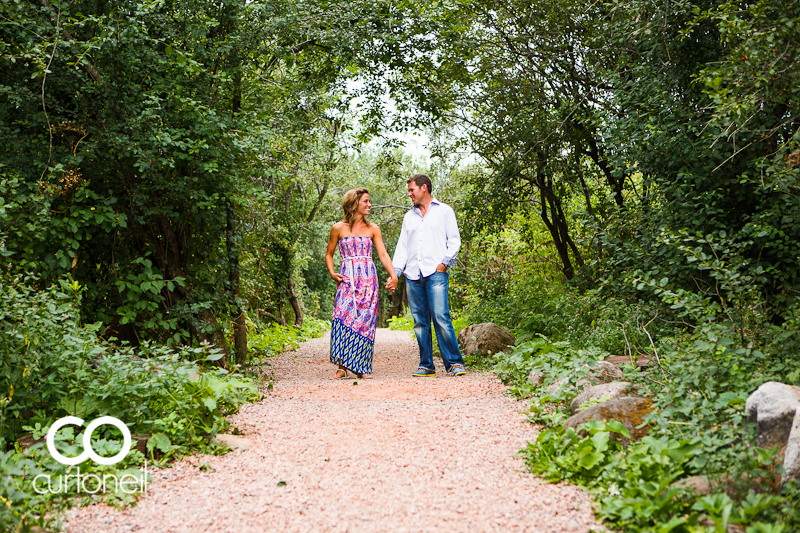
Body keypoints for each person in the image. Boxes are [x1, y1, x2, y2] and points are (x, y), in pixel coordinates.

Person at [391, 175, 466, 377]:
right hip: (413, 275)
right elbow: (402, 248)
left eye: (411, 190)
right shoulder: (409, 217)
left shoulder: (444, 211)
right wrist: (395, 272)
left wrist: (444, 264)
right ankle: (426, 365)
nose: (409, 194)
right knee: (420, 322)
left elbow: (455, 241)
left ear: (424, 188)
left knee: (441, 317)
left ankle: (455, 363)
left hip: (435, 273)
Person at [326, 188, 398, 379]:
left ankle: (361, 367)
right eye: (365, 201)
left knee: (365, 322)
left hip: (368, 280)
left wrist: (393, 275)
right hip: (347, 279)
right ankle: (342, 367)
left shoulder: (373, 229)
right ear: (354, 203)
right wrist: (333, 273)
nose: (369, 205)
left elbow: (382, 254)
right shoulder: (338, 228)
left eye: (369, 201)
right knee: (342, 317)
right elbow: (329, 254)